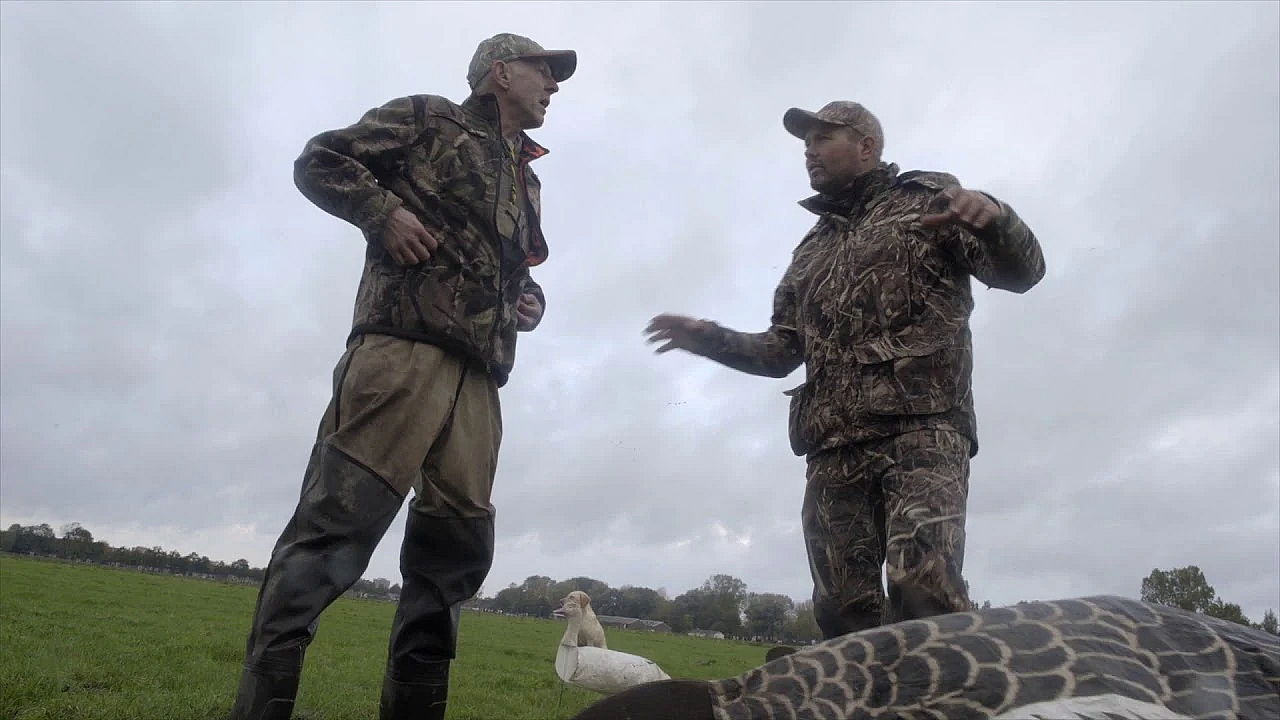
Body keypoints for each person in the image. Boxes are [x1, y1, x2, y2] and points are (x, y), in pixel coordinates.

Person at [228, 33, 577, 720]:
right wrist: (382, 212)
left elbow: (508, 265)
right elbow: (320, 160)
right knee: (334, 529)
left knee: (453, 558)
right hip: (401, 352)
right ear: (499, 72)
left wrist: (526, 300)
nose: (554, 84)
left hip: (479, 379)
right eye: (544, 70)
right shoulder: (426, 117)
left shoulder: (526, 173)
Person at [644, 101, 1045, 641]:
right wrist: (708, 340)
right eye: (805, 142)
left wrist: (997, 219)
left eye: (823, 136)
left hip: (922, 429)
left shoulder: (931, 201)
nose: (809, 149)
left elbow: (1023, 274)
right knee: (840, 610)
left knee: (922, 587)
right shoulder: (811, 251)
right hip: (833, 444)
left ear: (866, 146)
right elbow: (782, 350)